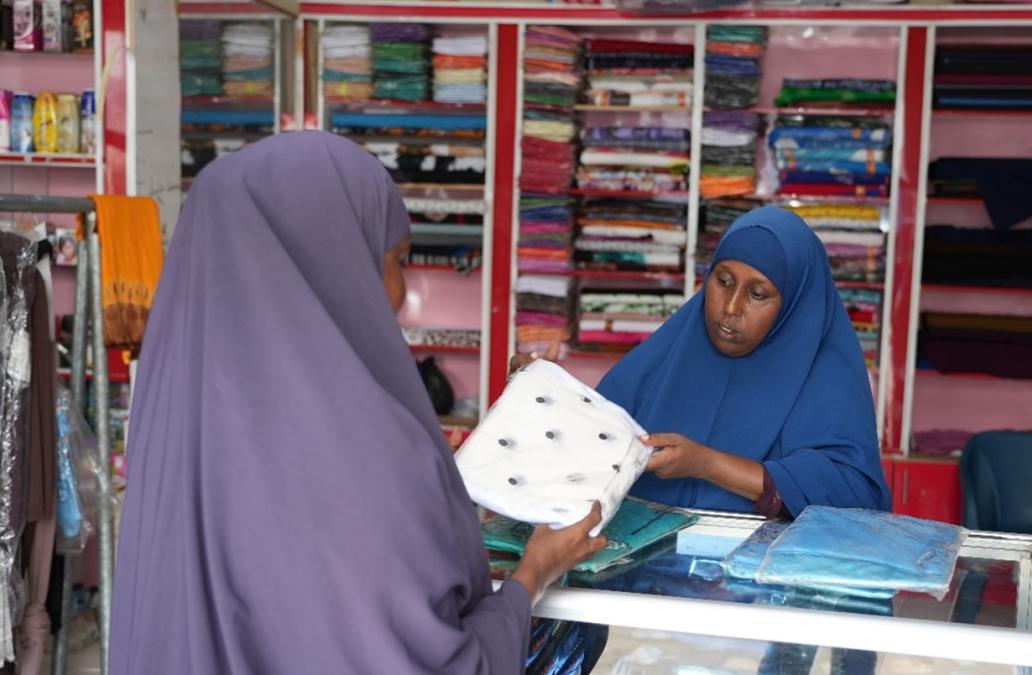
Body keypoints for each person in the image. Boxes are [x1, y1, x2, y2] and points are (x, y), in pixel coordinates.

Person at [110, 131, 605, 674]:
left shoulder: (167, 421)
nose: (401, 291)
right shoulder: (367, 453)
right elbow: (433, 662)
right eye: (397, 259)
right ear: (338, 262)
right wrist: (532, 575)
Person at [515, 205, 889, 519]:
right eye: (722, 281)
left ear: (793, 305)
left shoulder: (826, 378)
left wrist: (707, 465)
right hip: (642, 589)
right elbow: (592, 444)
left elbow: (855, 496)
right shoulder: (666, 357)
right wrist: (542, 396)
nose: (730, 308)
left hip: (764, 596)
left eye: (757, 294)